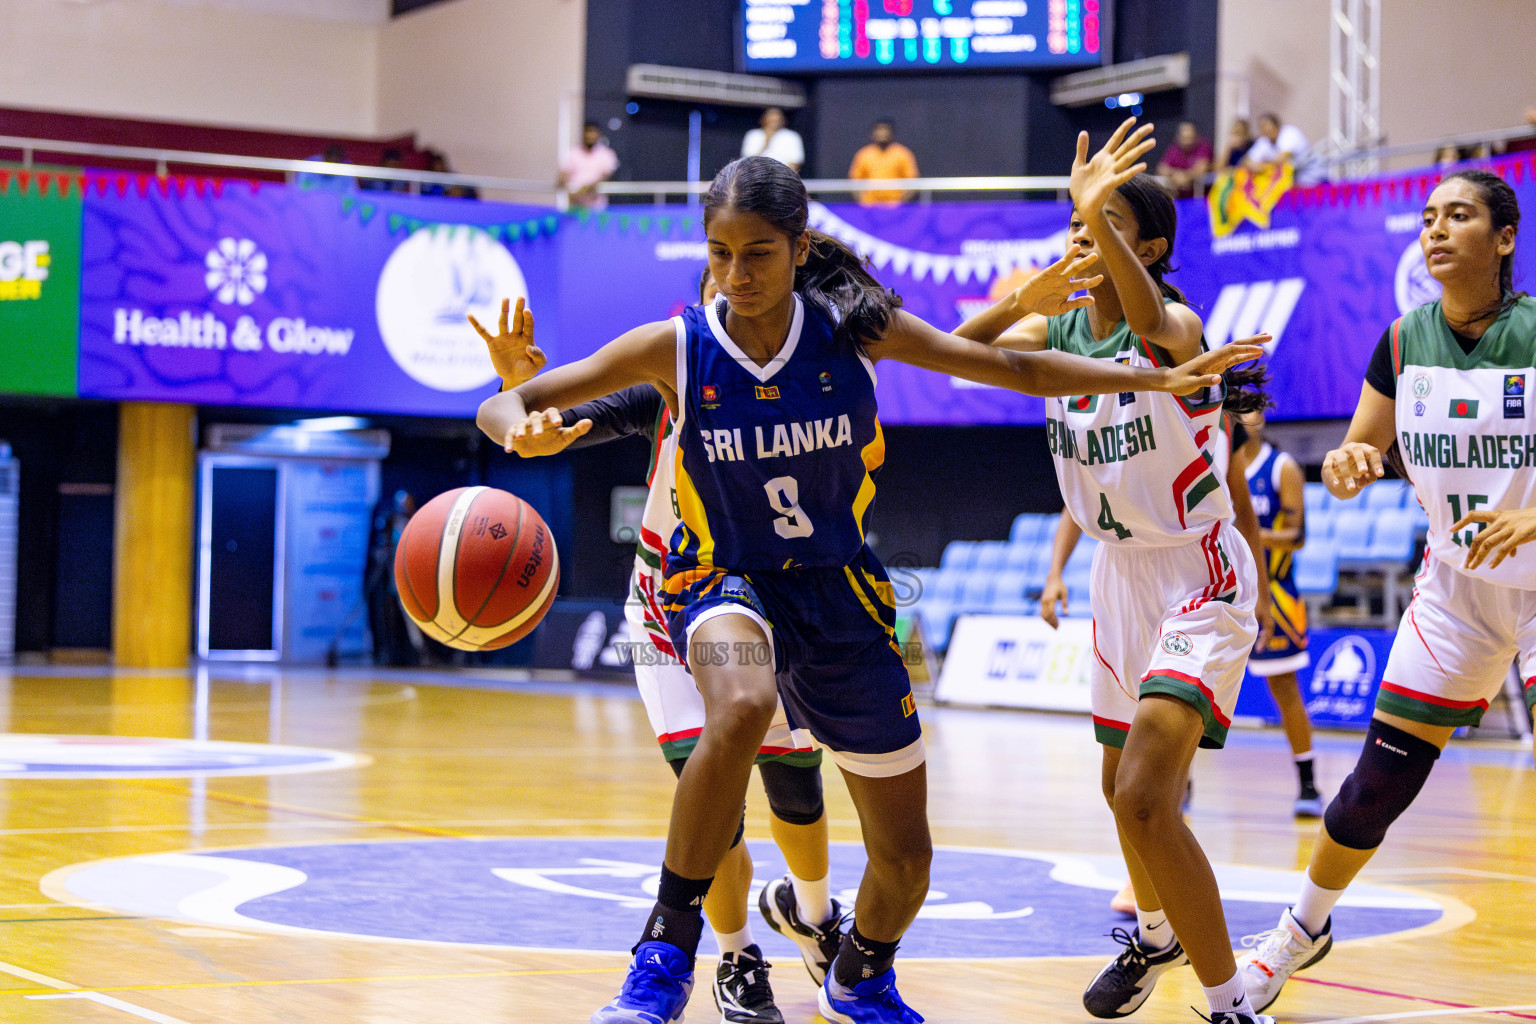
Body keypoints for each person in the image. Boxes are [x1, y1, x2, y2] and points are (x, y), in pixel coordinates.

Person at [475, 154, 1258, 1024]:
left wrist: (1151, 378)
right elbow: (506, 408)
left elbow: (1007, 368)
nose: (737, 274)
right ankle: (663, 956)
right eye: (721, 252)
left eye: (759, 253)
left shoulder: (855, 329)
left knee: (906, 859)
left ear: (800, 248)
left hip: (841, 591)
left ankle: (858, 975)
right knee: (739, 707)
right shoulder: (679, 343)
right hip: (722, 578)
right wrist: (525, 421)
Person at [951, 118, 1277, 1024]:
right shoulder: (1057, 331)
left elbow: (1146, 321)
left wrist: (1096, 219)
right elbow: (958, 356)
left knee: (1143, 795)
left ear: (1152, 246)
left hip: (1197, 571)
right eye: (1073, 224)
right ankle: (1160, 935)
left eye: (1101, 227)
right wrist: (1027, 294)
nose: (1080, 239)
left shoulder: (1175, 327)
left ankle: (1231, 1005)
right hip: (1117, 575)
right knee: (1116, 791)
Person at [475, 278, 839, 1024]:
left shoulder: (817, 377)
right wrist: (524, 399)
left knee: (796, 788)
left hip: (776, 595)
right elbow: (567, 416)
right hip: (670, 600)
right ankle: (737, 955)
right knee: (716, 800)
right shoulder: (673, 376)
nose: (730, 296)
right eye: (715, 280)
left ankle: (814, 913)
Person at [1238, 169, 1536, 1013]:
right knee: (1374, 786)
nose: (1437, 231)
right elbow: (1354, 457)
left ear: (1504, 238)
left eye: (1461, 216)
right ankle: (1300, 931)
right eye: (1430, 218)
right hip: (1456, 591)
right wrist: (1344, 463)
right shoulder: (1401, 343)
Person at [1235, 409, 1324, 818]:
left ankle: (1308, 785)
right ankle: (1182, 786)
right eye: (1235, 406)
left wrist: (1249, 532)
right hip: (1224, 593)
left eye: (1251, 407)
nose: (1243, 414)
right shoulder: (1216, 462)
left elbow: (1297, 537)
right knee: (1191, 694)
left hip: (1277, 595)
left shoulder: (1280, 467)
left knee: (1285, 692)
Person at [848, 120, 919, 206]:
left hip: (895, 206)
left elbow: (912, 181)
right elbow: (855, 180)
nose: (882, 133)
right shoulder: (864, 155)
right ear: (873, 133)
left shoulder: (902, 154)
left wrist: (900, 204)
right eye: (879, 130)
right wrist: (864, 203)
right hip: (869, 206)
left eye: (885, 130)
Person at [1245, 113, 1324, 186]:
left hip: (1310, 175)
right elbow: (1247, 161)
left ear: (1276, 125)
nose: (1263, 129)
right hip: (1291, 179)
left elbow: (1281, 159)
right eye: (1261, 126)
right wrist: (1260, 166)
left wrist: (1262, 166)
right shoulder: (1264, 140)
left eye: (1265, 125)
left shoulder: (1290, 133)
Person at [560, 122, 620, 210]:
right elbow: (563, 175)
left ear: (599, 134)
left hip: (596, 207)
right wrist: (568, 189)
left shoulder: (606, 154)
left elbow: (605, 176)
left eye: (593, 132)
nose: (590, 135)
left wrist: (585, 189)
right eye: (587, 132)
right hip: (574, 206)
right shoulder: (573, 153)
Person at [1157, 121, 1213, 198]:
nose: (1188, 142)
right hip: (1179, 197)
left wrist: (1186, 177)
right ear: (1179, 138)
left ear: (1196, 136)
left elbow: (1201, 169)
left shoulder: (1203, 147)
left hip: (1201, 198)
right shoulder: (1174, 149)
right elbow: (1162, 168)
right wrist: (1176, 174)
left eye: (1190, 138)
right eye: (1185, 138)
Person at [742, 108, 805, 174]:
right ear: (763, 120)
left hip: (783, 176)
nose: (773, 124)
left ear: (782, 121)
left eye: (776, 121)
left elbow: (796, 162)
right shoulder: (753, 135)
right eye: (770, 121)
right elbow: (747, 160)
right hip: (757, 175)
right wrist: (766, 142)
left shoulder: (791, 136)